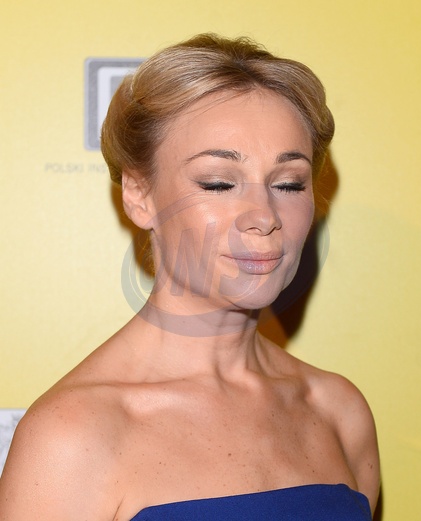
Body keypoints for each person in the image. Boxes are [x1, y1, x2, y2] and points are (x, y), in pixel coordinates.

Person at [0, 34, 380, 520]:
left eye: (289, 183)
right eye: (218, 183)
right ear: (139, 195)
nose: (264, 216)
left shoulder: (338, 411)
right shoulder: (73, 437)